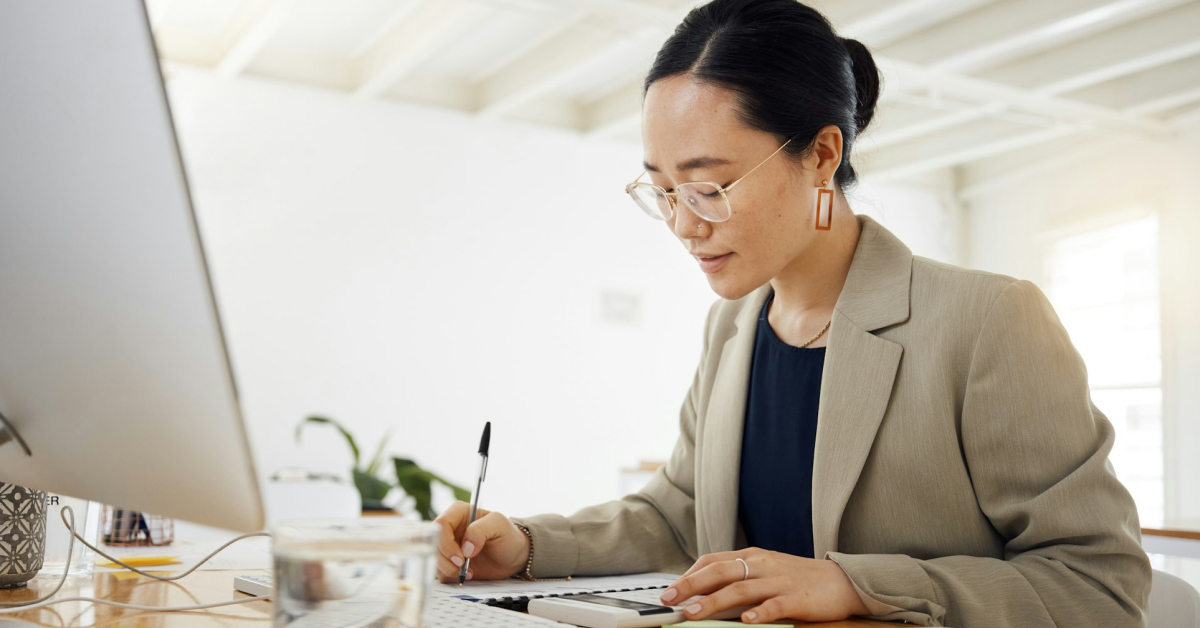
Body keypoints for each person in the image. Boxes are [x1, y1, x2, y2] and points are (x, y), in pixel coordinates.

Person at [433, 0, 1152, 625]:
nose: (685, 225)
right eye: (662, 190)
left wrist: (855, 585)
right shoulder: (734, 325)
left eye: (709, 187)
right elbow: (679, 512)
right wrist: (528, 544)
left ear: (821, 155)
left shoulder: (988, 321)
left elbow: (1099, 587)